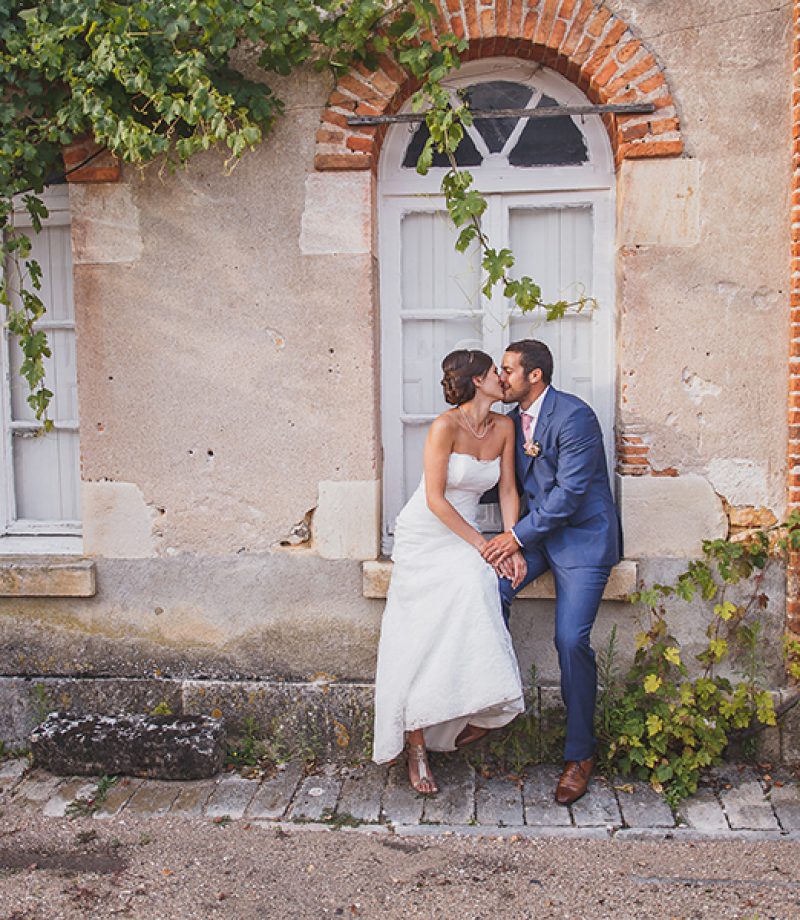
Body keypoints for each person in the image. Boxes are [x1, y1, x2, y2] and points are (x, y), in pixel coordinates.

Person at [372, 349, 528, 794]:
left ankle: (478, 708)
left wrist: (511, 542)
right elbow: (436, 499)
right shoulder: (444, 427)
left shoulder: (504, 428)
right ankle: (416, 745)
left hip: (467, 534)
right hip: (428, 532)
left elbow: (509, 489)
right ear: (478, 381)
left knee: (479, 586)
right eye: (496, 372)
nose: (503, 378)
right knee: (419, 634)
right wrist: (484, 546)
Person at [481, 339, 622, 806]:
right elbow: (504, 483)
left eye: (507, 370)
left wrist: (516, 538)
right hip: (538, 537)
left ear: (534, 375)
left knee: (570, 639)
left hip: (582, 537)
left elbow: (569, 494)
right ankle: (488, 705)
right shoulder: (510, 421)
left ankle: (580, 754)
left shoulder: (575, 417)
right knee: (488, 589)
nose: (501, 377)